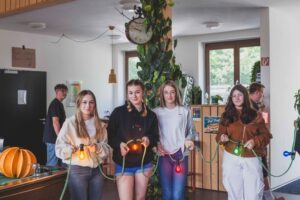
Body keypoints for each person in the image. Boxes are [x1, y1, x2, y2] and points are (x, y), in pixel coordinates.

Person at [216, 84, 272, 200]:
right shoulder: (226, 115)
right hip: (231, 157)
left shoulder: (256, 115)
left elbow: (266, 135)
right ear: (231, 99)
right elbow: (218, 135)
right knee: (234, 192)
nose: (236, 98)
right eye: (234, 96)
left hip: (251, 157)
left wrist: (254, 141)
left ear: (245, 96)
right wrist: (222, 137)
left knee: (254, 193)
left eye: (239, 95)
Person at [107, 79, 159, 200]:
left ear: (143, 93)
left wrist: (148, 139)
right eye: (130, 93)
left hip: (144, 163)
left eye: (137, 92)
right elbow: (110, 135)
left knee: (140, 197)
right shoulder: (118, 112)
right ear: (127, 94)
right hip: (124, 162)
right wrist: (119, 144)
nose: (134, 96)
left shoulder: (151, 116)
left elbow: (155, 135)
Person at [55, 90, 109, 200]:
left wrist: (98, 148)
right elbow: (59, 148)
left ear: (95, 105)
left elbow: (107, 148)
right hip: (77, 171)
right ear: (79, 104)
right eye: (84, 102)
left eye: (91, 102)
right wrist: (70, 149)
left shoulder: (100, 124)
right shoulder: (69, 123)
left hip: (97, 170)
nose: (88, 106)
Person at [153, 80, 195, 200]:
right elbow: (152, 134)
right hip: (164, 156)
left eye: (172, 92)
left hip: (180, 156)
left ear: (176, 93)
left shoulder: (184, 111)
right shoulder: (156, 112)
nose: (169, 95)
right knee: (167, 193)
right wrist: (156, 146)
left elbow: (192, 131)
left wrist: (189, 140)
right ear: (162, 94)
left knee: (178, 194)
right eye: (166, 92)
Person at [43, 83, 68, 166]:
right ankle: (49, 179)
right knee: (52, 163)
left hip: (55, 138)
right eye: (62, 91)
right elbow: (55, 122)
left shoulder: (58, 104)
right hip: (53, 138)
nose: (65, 93)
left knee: (60, 162)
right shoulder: (55, 104)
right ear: (57, 92)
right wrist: (60, 137)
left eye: (66, 91)